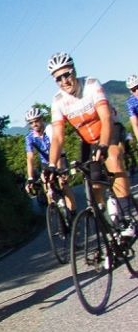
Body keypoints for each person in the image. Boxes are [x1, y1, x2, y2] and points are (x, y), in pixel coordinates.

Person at [46, 52, 137, 239]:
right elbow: (57, 138)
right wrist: (52, 165)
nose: (64, 81)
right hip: (88, 142)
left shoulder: (91, 84)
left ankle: (128, 218)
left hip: (109, 130)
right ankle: (109, 227)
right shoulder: (58, 101)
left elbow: (105, 118)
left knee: (113, 159)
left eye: (66, 74)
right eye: (58, 78)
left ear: (74, 71)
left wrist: (103, 145)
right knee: (94, 183)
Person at [23, 106, 76, 211]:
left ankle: (73, 213)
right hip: (45, 162)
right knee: (47, 188)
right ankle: (54, 215)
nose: (34, 124)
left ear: (42, 119)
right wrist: (30, 178)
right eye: (31, 122)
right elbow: (30, 158)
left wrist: (60, 169)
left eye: (36, 121)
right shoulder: (29, 137)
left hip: (59, 157)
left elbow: (56, 148)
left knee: (63, 184)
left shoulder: (50, 129)